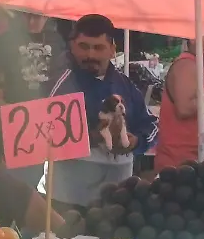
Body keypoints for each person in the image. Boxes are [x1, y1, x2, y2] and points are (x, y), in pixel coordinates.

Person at [44, 14, 155, 209]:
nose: (90, 55)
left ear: (112, 50)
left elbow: (151, 125)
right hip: (68, 199)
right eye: (84, 47)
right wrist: (93, 137)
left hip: (117, 197)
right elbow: (42, 134)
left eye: (98, 48)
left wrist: (135, 142)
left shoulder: (126, 85)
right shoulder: (60, 84)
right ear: (72, 47)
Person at [154, 22, 204, 168]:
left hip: (193, 157)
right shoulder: (186, 65)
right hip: (177, 161)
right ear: (193, 38)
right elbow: (185, 109)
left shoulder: (200, 65)